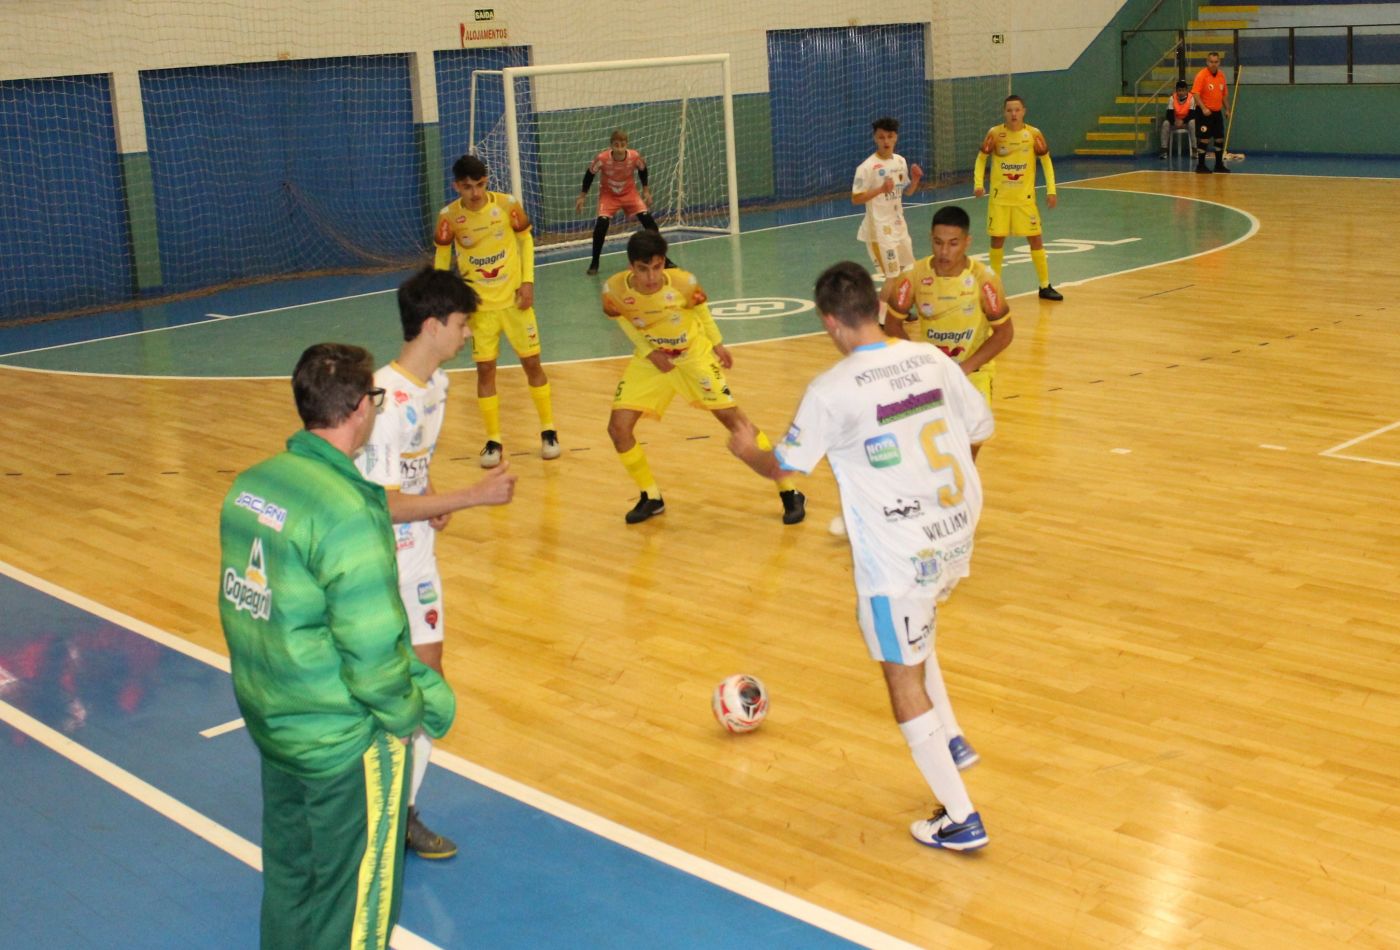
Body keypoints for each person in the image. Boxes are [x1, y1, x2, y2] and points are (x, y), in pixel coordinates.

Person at [728, 262, 992, 851]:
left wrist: (748, 451)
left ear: (829, 322)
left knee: (901, 675)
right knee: (916, 626)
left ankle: (960, 817)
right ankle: (952, 738)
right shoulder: (931, 359)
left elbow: (786, 466)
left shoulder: (832, 389)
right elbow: (980, 426)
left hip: (900, 554)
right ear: (876, 305)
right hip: (956, 534)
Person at [219, 343, 458, 949]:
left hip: (276, 724)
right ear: (359, 408)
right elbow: (373, 648)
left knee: (293, 878)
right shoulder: (348, 511)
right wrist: (409, 714)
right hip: (342, 742)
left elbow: (247, 607)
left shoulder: (251, 487)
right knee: (357, 902)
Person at [355, 267, 519, 860]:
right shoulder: (381, 401)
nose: (468, 333)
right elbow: (380, 504)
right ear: (431, 326)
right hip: (376, 569)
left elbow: (410, 472)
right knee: (380, 696)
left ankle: (401, 811)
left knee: (429, 687)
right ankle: (359, 804)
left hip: (419, 559)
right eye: (461, 323)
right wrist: (470, 497)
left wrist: (431, 500)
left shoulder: (437, 387)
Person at [602, 229, 805, 525]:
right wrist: (650, 353)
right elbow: (624, 321)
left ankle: (790, 491)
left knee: (737, 423)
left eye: (657, 267)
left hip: (693, 357)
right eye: (643, 269)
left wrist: (717, 344)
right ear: (631, 266)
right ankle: (651, 496)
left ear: (664, 262)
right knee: (618, 429)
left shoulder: (684, 283)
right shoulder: (614, 290)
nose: (651, 276)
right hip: (652, 362)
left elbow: (702, 313)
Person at [434, 154, 560, 468]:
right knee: (485, 370)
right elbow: (442, 260)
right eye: (468, 187)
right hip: (479, 310)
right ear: (456, 186)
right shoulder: (449, 217)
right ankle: (493, 440)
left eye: (480, 185)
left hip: (515, 304)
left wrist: (528, 282)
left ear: (486, 181)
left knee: (532, 364)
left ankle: (548, 431)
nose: (475, 193)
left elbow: (526, 241)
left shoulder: (507, 205)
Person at [883, 205, 1011, 461]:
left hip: (974, 374)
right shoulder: (913, 276)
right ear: (930, 238)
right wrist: (919, 360)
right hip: (932, 375)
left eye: (953, 243)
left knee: (968, 449)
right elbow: (892, 324)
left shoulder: (984, 280)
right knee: (932, 452)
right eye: (938, 242)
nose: (944, 251)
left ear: (967, 242)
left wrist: (963, 369)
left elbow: (1004, 333)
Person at [973, 94, 1063, 301]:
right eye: (1009, 110)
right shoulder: (995, 134)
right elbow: (981, 159)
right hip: (1000, 200)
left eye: (1017, 110)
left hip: (1025, 200)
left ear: (1024, 111)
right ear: (1004, 112)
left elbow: (1046, 162)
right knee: (997, 240)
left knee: (1036, 238)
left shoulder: (1033, 134)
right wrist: (978, 184)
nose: (1013, 114)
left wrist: (1051, 190)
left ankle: (1044, 285)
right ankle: (994, 287)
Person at [574, 129, 671, 276]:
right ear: (611, 145)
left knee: (649, 223)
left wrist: (646, 190)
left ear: (627, 145)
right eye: (616, 145)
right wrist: (582, 196)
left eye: (622, 145)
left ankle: (662, 257)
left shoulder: (634, 156)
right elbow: (590, 174)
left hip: (629, 193)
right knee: (601, 225)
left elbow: (643, 169)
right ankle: (595, 262)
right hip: (609, 196)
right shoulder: (602, 158)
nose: (619, 148)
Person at [852, 116, 923, 282]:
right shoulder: (866, 167)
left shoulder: (900, 161)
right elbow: (856, 198)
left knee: (909, 274)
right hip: (878, 232)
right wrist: (880, 189)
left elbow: (907, 192)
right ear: (875, 138)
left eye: (890, 136)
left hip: (899, 227)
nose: (886, 141)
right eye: (881, 137)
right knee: (892, 279)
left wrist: (915, 180)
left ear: (896, 137)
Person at [1191, 51, 1230, 173]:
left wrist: (1227, 109)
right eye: (1211, 62)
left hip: (1217, 113)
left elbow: (1224, 95)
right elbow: (1195, 94)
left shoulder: (1221, 76)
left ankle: (1218, 165)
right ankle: (1200, 166)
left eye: (1216, 62)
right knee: (1204, 139)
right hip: (1204, 113)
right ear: (1207, 62)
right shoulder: (1201, 75)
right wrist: (1204, 108)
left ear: (1219, 62)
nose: (1213, 64)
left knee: (1219, 138)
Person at [1159, 79, 1197, 160]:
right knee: (1165, 123)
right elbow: (1169, 114)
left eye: (1183, 90)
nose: (1181, 92)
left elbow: (1192, 114)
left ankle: (1195, 150)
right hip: (1175, 122)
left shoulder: (1191, 98)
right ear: (1176, 91)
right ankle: (1164, 151)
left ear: (1187, 90)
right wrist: (1174, 121)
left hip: (1186, 122)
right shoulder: (1172, 98)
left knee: (1193, 122)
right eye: (1179, 90)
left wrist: (1183, 121)